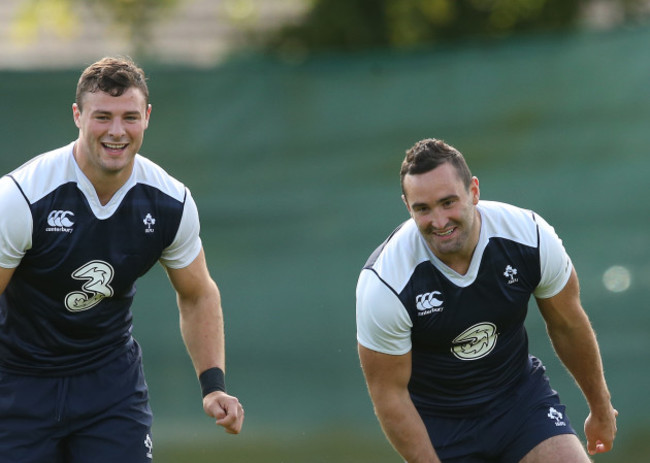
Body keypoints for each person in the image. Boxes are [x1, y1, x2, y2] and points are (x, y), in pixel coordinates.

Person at [0, 56, 244, 462]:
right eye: (103, 117)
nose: (117, 131)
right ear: (77, 116)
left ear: (147, 117)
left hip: (107, 384)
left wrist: (213, 385)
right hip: (16, 382)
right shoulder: (21, 198)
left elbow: (198, 294)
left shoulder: (170, 202)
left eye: (130, 116)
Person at [356, 138, 617, 463]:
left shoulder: (529, 237)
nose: (439, 222)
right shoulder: (386, 282)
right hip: (439, 426)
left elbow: (567, 324)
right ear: (407, 207)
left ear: (474, 191)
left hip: (520, 403)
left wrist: (601, 407)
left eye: (448, 202)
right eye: (422, 209)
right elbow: (389, 395)